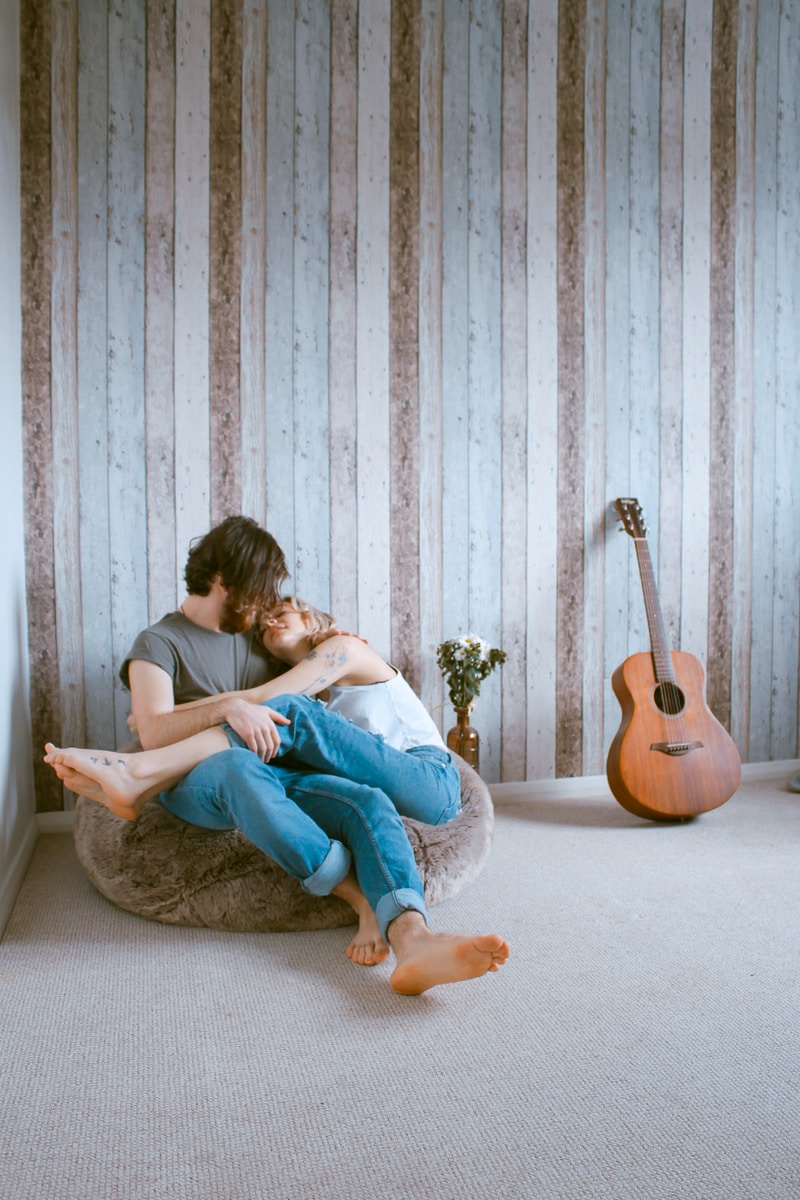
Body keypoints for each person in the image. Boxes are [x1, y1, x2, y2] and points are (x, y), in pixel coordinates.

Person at [47, 516, 509, 996]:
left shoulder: (260, 641)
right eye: (262, 591)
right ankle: (353, 894)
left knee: (366, 800)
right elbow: (153, 728)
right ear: (226, 579)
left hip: (285, 770)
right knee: (238, 763)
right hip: (207, 777)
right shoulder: (157, 644)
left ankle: (414, 939)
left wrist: (240, 699)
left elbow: (289, 696)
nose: (267, 608)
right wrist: (227, 707)